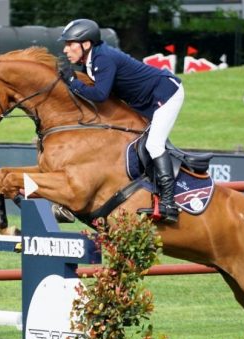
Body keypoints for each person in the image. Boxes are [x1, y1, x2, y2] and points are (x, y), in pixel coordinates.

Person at [60, 18, 183, 223]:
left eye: (70, 44)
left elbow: (99, 94)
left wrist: (72, 82)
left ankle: (169, 203)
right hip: (144, 101)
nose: (65, 50)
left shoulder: (103, 59)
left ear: (86, 44)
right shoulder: (91, 60)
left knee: (154, 144)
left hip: (166, 93)